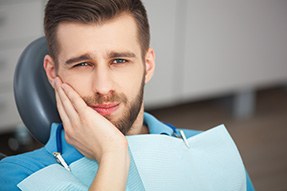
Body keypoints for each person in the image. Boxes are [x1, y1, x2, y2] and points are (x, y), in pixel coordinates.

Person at [0, 0, 254, 190]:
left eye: (119, 60)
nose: (102, 86)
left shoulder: (214, 154)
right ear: (53, 72)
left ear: (148, 65)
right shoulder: (18, 177)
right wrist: (113, 155)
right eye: (82, 64)